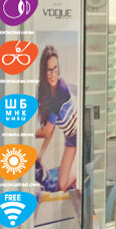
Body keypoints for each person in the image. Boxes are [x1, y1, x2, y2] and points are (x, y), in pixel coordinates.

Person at [34, 44, 78, 191]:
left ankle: (81, 174)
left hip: (79, 134)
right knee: (60, 184)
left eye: (55, 68)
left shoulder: (61, 90)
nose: (53, 74)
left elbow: (46, 131)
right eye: (49, 70)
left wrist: (25, 133)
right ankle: (74, 176)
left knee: (61, 185)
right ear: (44, 71)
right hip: (70, 137)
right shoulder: (48, 93)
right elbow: (50, 131)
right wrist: (40, 155)